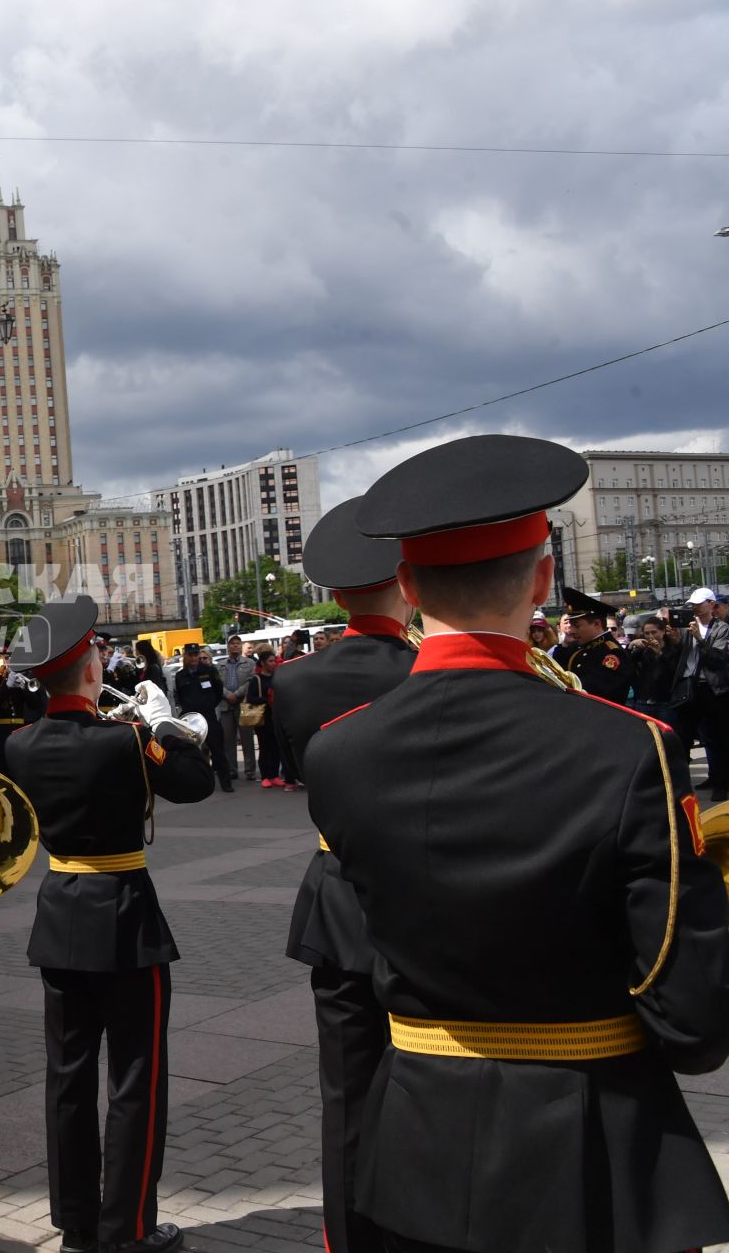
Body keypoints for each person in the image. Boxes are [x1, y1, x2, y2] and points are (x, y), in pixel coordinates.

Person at [310, 433, 729, 1253]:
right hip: (592, 1137)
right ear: (542, 578)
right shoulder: (628, 744)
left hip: (413, 1140)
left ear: (404, 583)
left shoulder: (338, 750)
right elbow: (690, 1010)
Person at [4, 595, 212, 1253]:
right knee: (134, 1079)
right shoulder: (126, 741)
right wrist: (166, 727)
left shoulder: (20, 743)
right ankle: (129, 1227)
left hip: (61, 911)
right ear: (90, 668)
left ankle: (77, 1224)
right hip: (124, 919)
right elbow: (196, 783)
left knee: (67, 1079)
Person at [270, 498, 417, 1253]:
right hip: (430, 899)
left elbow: (301, 772)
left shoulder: (293, 680)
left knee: (348, 1094)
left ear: (332, 595)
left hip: (335, 896)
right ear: (407, 580)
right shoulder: (426, 668)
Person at [674, 588, 729, 801]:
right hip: (690, 687)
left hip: (714, 689)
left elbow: (716, 659)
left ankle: (721, 783)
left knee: (718, 738)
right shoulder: (688, 629)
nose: (695, 608)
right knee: (684, 736)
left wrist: (701, 639)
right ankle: (681, 784)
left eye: (699, 604)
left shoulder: (721, 629)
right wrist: (674, 640)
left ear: (710, 605)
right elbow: (681, 656)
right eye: (693, 604)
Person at [557, 587, 634, 703]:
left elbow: (599, 692)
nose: (571, 630)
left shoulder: (612, 653)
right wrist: (564, 643)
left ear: (597, 624)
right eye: (570, 625)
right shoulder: (580, 648)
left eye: (577, 626)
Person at [170, 644, 230, 791]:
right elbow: (180, 696)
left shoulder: (209, 671)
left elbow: (218, 690)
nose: (194, 658)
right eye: (190, 655)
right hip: (191, 719)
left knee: (218, 751)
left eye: (196, 654)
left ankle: (226, 783)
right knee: (193, 753)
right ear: (185, 656)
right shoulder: (181, 675)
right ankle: (198, 783)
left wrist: (209, 704)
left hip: (208, 716)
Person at [628, 615, 681, 728]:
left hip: (665, 703)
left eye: (654, 632)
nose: (651, 636)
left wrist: (659, 654)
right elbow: (628, 662)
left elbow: (673, 672)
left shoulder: (672, 649)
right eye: (647, 633)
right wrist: (631, 646)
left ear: (662, 632)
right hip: (644, 701)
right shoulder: (644, 650)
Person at [215, 635, 255, 783]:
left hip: (244, 705)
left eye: (238, 643)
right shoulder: (220, 665)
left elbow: (251, 681)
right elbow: (217, 683)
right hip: (226, 705)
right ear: (228, 646)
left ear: (241, 646)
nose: (235, 646)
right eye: (232, 644)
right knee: (228, 740)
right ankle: (232, 769)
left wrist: (237, 694)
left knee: (247, 739)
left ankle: (250, 770)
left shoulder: (250, 663)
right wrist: (227, 694)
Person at [245, 652, 287, 787]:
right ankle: (265, 776)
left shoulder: (277, 677)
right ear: (262, 663)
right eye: (270, 661)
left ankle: (274, 775)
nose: (274, 663)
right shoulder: (256, 679)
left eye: (274, 661)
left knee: (276, 747)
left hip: (276, 717)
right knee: (265, 747)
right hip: (262, 718)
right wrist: (266, 700)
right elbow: (250, 698)